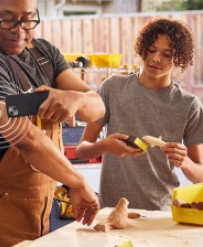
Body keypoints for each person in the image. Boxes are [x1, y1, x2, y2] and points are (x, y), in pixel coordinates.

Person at [0, 0, 105, 246]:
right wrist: (77, 182)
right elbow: (25, 138)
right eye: (8, 18)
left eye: (28, 18)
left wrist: (75, 98)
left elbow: (98, 107)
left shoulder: (44, 54)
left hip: (36, 209)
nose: (20, 29)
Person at [76, 18, 203, 211]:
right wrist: (105, 145)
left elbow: (199, 175)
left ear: (179, 59)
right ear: (142, 48)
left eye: (166, 54)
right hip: (111, 211)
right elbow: (82, 150)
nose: (155, 59)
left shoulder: (189, 105)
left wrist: (185, 163)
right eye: (151, 50)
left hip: (160, 214)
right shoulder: (113, 88)